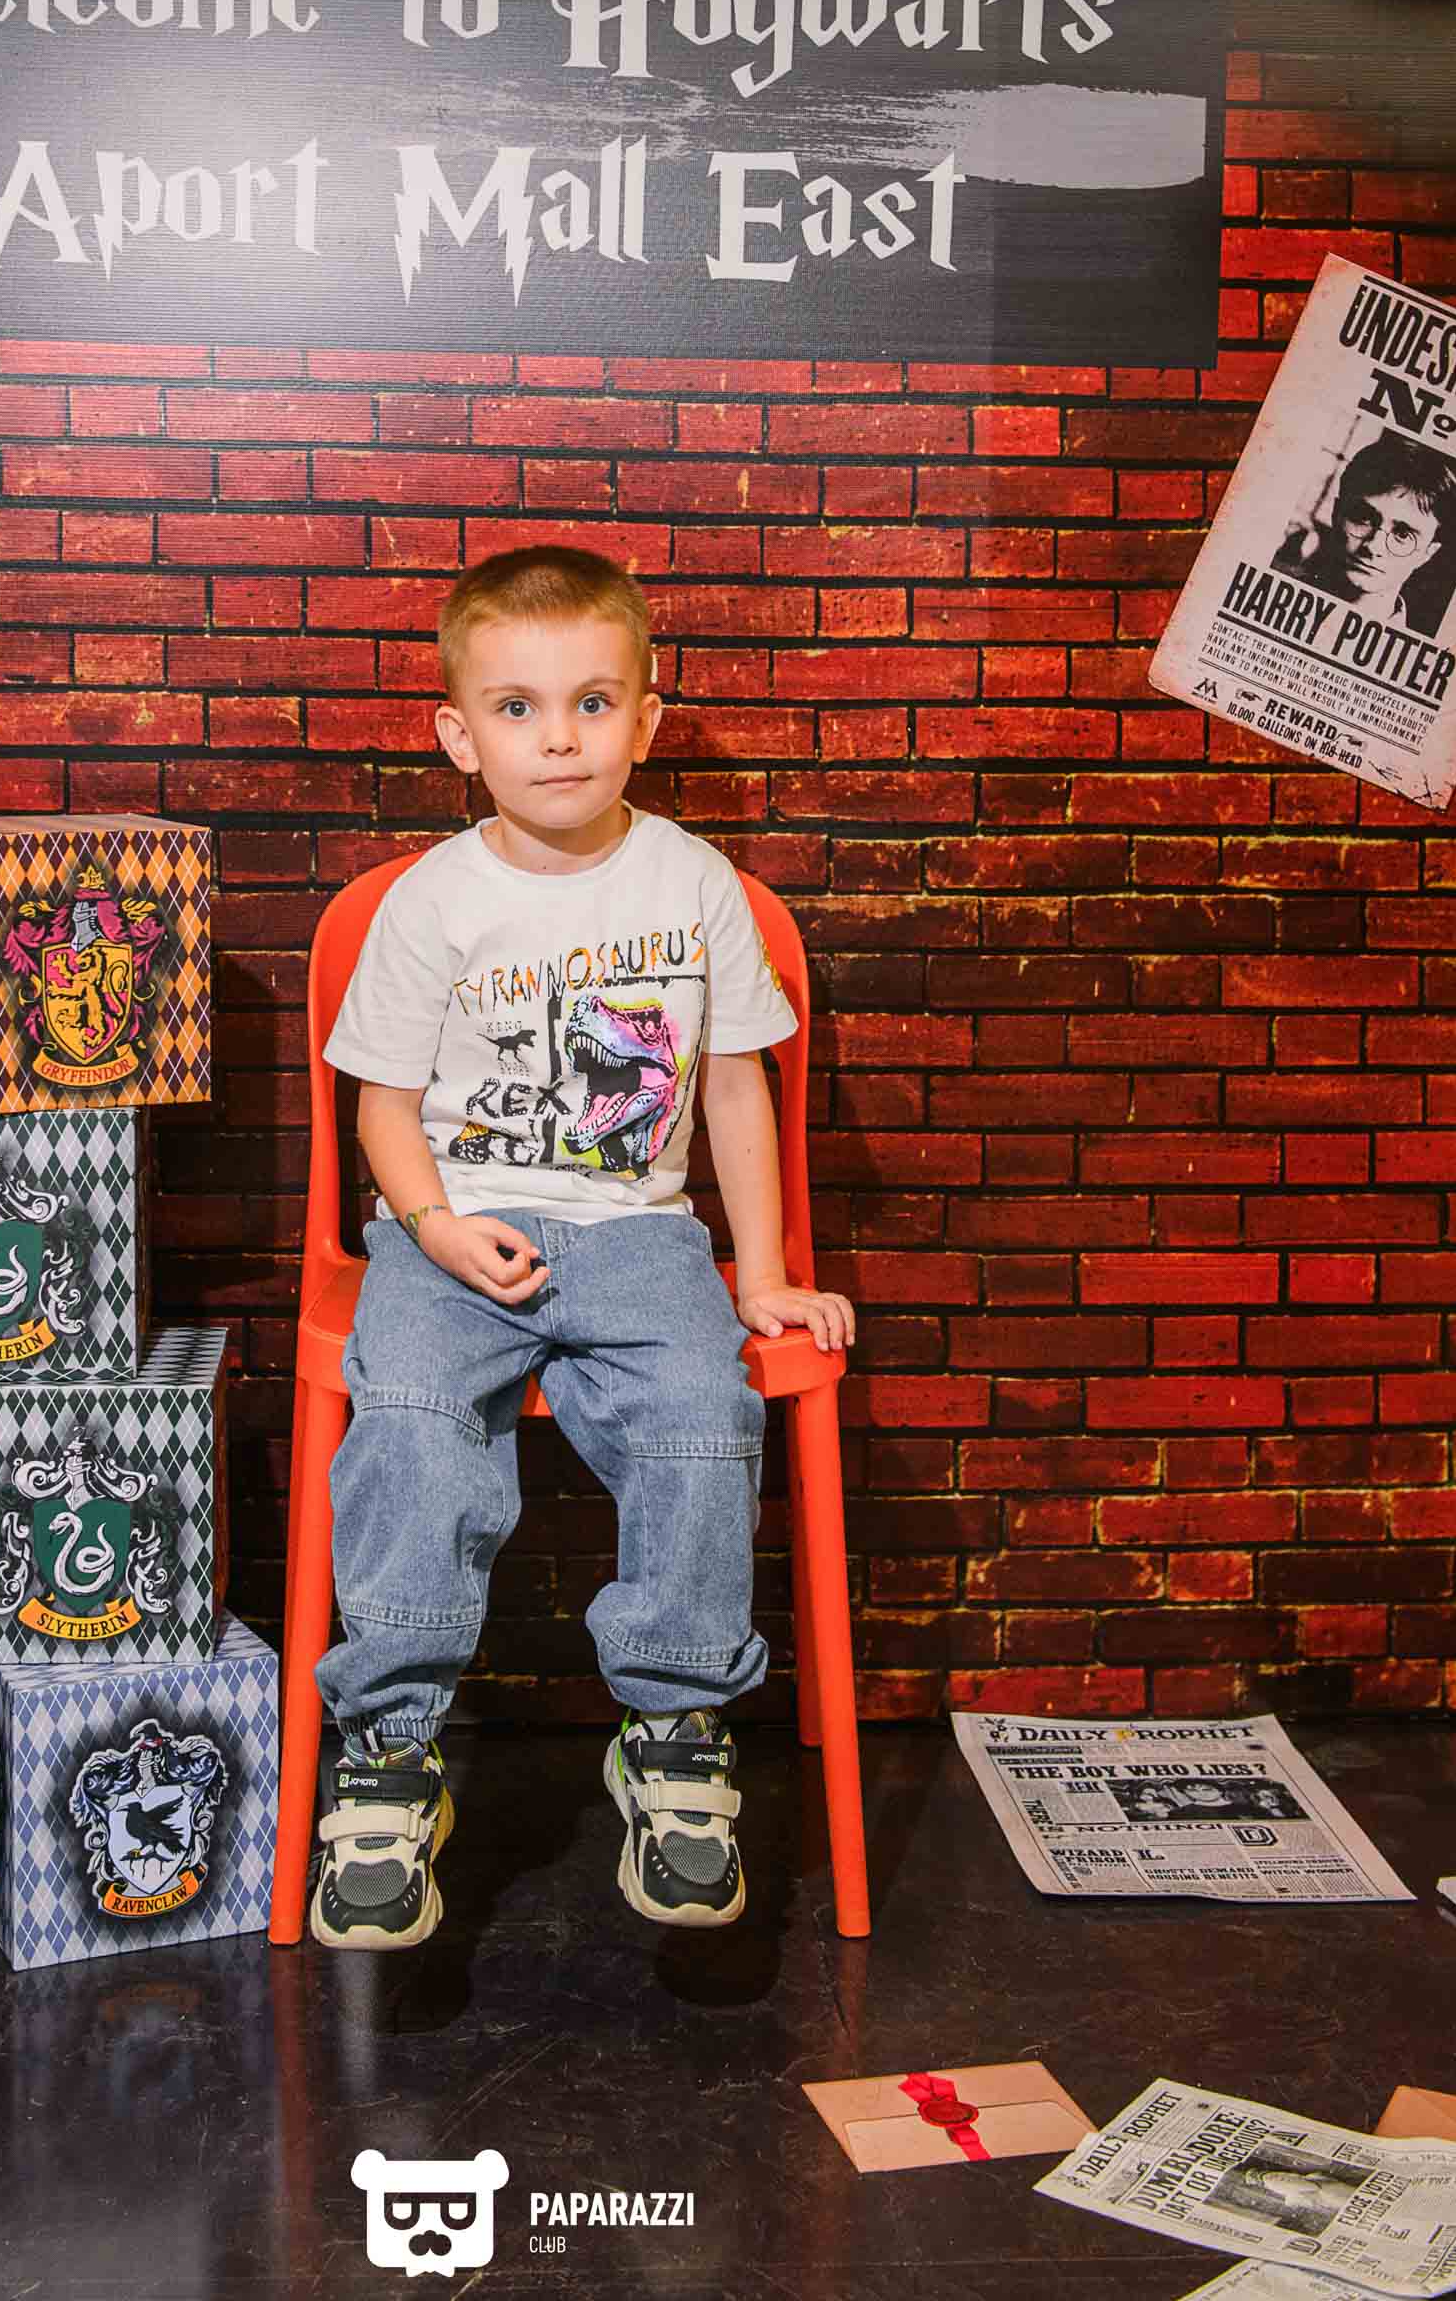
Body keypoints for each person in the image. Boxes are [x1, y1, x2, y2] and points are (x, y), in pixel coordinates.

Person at [311, 544, 852, 1949]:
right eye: (518, 708)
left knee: (701, 1416)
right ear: (459, 737)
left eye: (592, 703)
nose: (558, 738)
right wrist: (435, 1227)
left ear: (646, 720)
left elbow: (736, 1088)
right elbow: (381, 1111)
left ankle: (672, 1730)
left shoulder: (692, 882)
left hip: (639, 1235)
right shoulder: (432, 899)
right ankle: (391, 1748)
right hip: (453, 1231)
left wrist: (764, 1272)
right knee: (411, 1416)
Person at [1271, 432, 1456, 634]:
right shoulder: (1273, 597)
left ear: (1428, 553)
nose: (1373, 546)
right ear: (1336, 513)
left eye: (1402, 534)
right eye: (1363, 518)